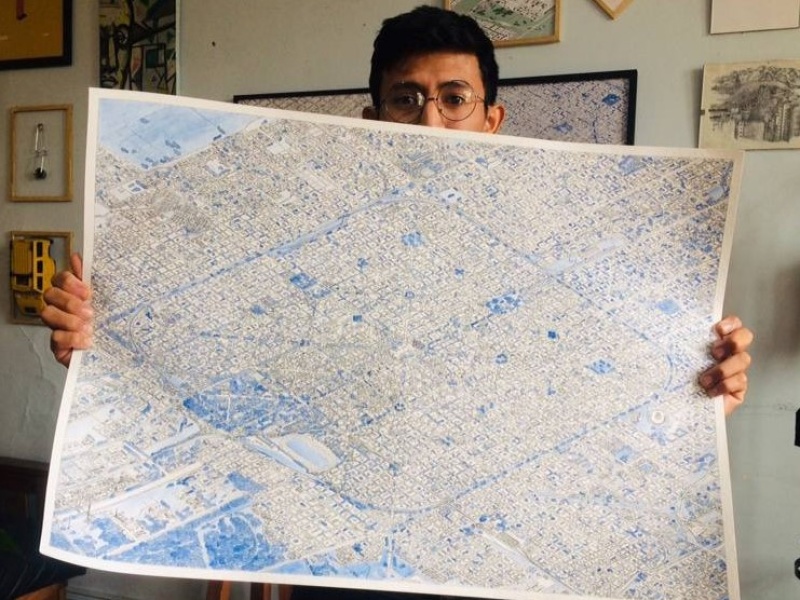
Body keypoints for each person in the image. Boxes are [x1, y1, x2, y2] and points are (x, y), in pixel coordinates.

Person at [41, 6, 754, 600]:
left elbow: (598, 400)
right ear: (372, 115)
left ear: (492, 118)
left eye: (454, 99)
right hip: (348, 565)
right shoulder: (302, 246)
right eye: (406, 99)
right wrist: (101, 352)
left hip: (497, 562)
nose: (429, 122)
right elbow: (219, 363)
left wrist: (698, 398)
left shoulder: (565, 251)